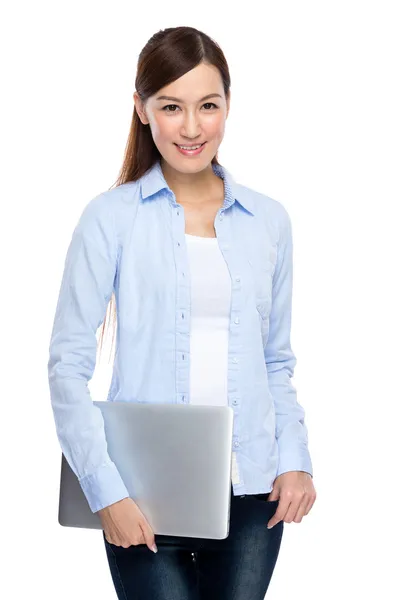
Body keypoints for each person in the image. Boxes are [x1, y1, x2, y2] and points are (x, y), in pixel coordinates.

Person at [47, 25, 317, 600]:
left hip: (252, 494)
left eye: (208, 106)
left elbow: (276, 360)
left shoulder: (269, 222)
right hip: (141, 493)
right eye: (171, 106)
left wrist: (296, 460)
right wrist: (106, 493)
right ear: (142, 110)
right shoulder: (110, 218)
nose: (192, 128)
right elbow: (67, 365)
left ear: (227, 109)